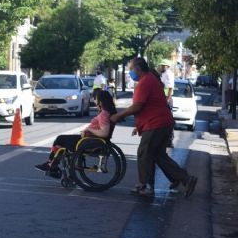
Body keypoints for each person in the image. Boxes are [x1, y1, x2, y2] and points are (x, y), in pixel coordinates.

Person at [110, 57, 197, 197]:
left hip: (156, 123)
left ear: (138, 69)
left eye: (131, 69)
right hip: (161, 122)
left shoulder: (145, 82)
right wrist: (139, 125)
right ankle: (183, 178)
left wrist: (117, 116)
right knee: (158, 155)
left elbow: (137, 106)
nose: (130, 72)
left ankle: (146, 185)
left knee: (144, 153)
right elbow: (146, 106)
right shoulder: (150, 79)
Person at [35, 91, 117, 177]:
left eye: (95, 99)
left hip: (90, 142)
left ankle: (50, 165)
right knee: (62, 141)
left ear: (100, 101)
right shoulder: (106, 113)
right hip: (91, 140)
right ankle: (52, 165)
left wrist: (89, 129)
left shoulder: (103, 114)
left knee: (60, 139)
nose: (94, 101)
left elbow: (104, 133)